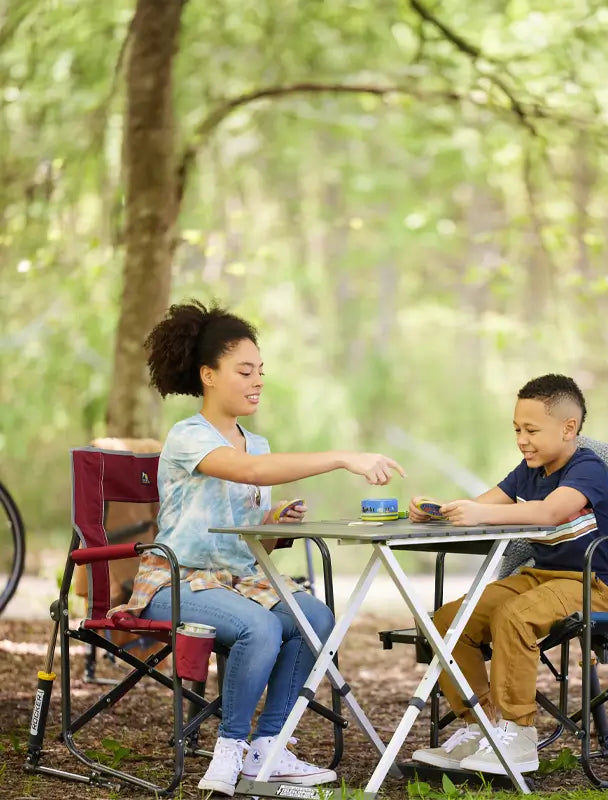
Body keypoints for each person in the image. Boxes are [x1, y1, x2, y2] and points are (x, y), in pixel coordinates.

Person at [112, 300, 404, 796]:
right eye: (244, 371)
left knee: (314, 617)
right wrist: (342, 458)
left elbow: (245, 533)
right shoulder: (188, 436)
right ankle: (228, 752)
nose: (257, 381)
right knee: (261, 625)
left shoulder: (259, 444)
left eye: (260, 371)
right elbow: (245, 474)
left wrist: (272, 523)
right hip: (177, 580)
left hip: (238, 581)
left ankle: (268, 747)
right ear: (207, 375)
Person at [409, 374, 608, 775]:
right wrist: (438, 509)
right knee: (446, 622)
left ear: (568, 428)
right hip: (540, 578)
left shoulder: (587, 468)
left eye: (531, 430)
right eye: (516, 430)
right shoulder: (529, 470)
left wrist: (480, 514)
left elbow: (549, 513)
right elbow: (478, 507)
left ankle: (519, 737)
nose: (522, 439)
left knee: (514, 617)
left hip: (592, 584)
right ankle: (483, 727)